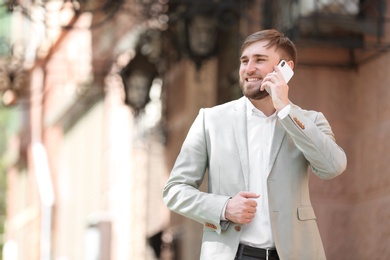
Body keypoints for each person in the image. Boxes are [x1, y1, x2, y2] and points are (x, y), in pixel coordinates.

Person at [162, 29, 347, 260]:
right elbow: (175, 190)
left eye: (259, 60)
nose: (249, 69)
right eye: (244, 60)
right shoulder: (211, 120)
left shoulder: (309, 121)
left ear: (286, 68)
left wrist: (286, 110)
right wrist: (224, 208)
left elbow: (333, 167)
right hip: (234, 255)